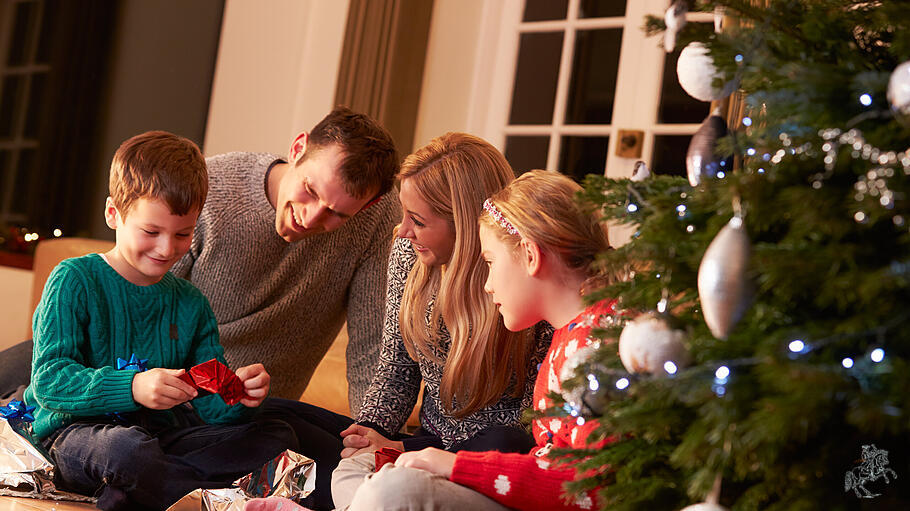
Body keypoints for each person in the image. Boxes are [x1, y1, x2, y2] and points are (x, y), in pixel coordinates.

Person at [0, 106, 401, 413]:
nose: (311, 218)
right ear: (298, 149)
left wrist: (372, 434)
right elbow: (132, 310)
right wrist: (129, 387)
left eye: (337, 214)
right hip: (127, 371)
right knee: (31, 375)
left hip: (223, 402)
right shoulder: (212, 189)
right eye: (310, 191)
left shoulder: (379, 221)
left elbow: (373, 346)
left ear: (370, 205)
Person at [24, 131, 298, 511]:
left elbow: (211, 412)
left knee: (276, 435)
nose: (167, 248)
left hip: (162, 439)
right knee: (127, 452)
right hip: (77, 433)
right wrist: (133, 386)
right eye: (151, 232)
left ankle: (137, 491)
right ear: (113, 214)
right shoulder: (74, 279)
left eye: (183, 233)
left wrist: (241, 396)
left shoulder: (191, 304)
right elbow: (51, 382)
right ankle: (195, 495)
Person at [340, 170, 617, 510]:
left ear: (530, 256)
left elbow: (592, 486)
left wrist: (456, 465)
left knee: (394, 491)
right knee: (389, 481)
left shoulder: (595, 349)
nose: (487, 284)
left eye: (490, 262)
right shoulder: (571, 337)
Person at [328, 134, 553, 509]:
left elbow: (531, 424)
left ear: (464, 224)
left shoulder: (523, 279)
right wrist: (370, 432)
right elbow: (395, 367)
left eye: (417, 220)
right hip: (423, 441)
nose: (401, 230)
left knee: (503, 442)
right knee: (283, 418)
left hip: (487, 450)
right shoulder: (407, 253)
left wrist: (405, 448)